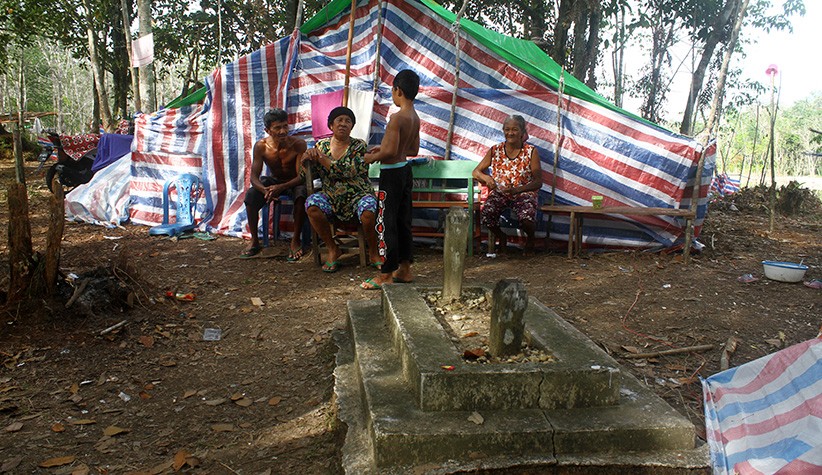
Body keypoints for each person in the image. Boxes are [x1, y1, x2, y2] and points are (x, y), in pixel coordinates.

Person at [360, 69, 421, 290]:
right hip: (405, 171)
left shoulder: (397, 118)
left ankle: (386, 274)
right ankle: (404, 269)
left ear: (398, 90)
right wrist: (384, 148)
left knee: (386, 223)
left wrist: (370, 157)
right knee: (403, 221)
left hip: (392, 174)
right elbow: (411, 149)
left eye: (393, 91)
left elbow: (388, 153)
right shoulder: (414, 117)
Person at [301, 106, 381, 272]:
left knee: (369, 209)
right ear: (331, 125)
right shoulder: (321, 146)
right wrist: (305, 161)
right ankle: (333, 249)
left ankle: (373, 251)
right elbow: (308, 174)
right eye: (340, 120)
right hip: (331, 197)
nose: (343, 124)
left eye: (348, 121)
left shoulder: (358, 146)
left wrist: (322, 159)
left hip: (358, 196)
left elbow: (349, 171)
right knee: (312, 205)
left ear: (352, 126)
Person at [241, 108, 308, 259]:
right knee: (251, 195)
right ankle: (254, 240)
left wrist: (281, 188)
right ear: (268, 130)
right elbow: (253, 177)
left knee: (302, 193)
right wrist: (265, 190)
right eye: (277, 128)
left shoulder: (298, 144)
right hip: (275, 181)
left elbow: (302, 176)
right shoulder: (261, 146)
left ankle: (295, 240)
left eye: (285, 126)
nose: (283, 131)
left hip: (293, 182)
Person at [472, 115, 543, 254]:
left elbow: (538, 182)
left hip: (523, 192)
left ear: (522, 132)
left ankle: (531, 239)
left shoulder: (531, 151)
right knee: (486, 214)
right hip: (501, 192)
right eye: (507, 129)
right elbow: (476, 172)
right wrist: (487, 179)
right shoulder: (495, 150)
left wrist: (517, 190)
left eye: (515, 129)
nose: (510, 133)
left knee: (526, 218)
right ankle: (502, 237)